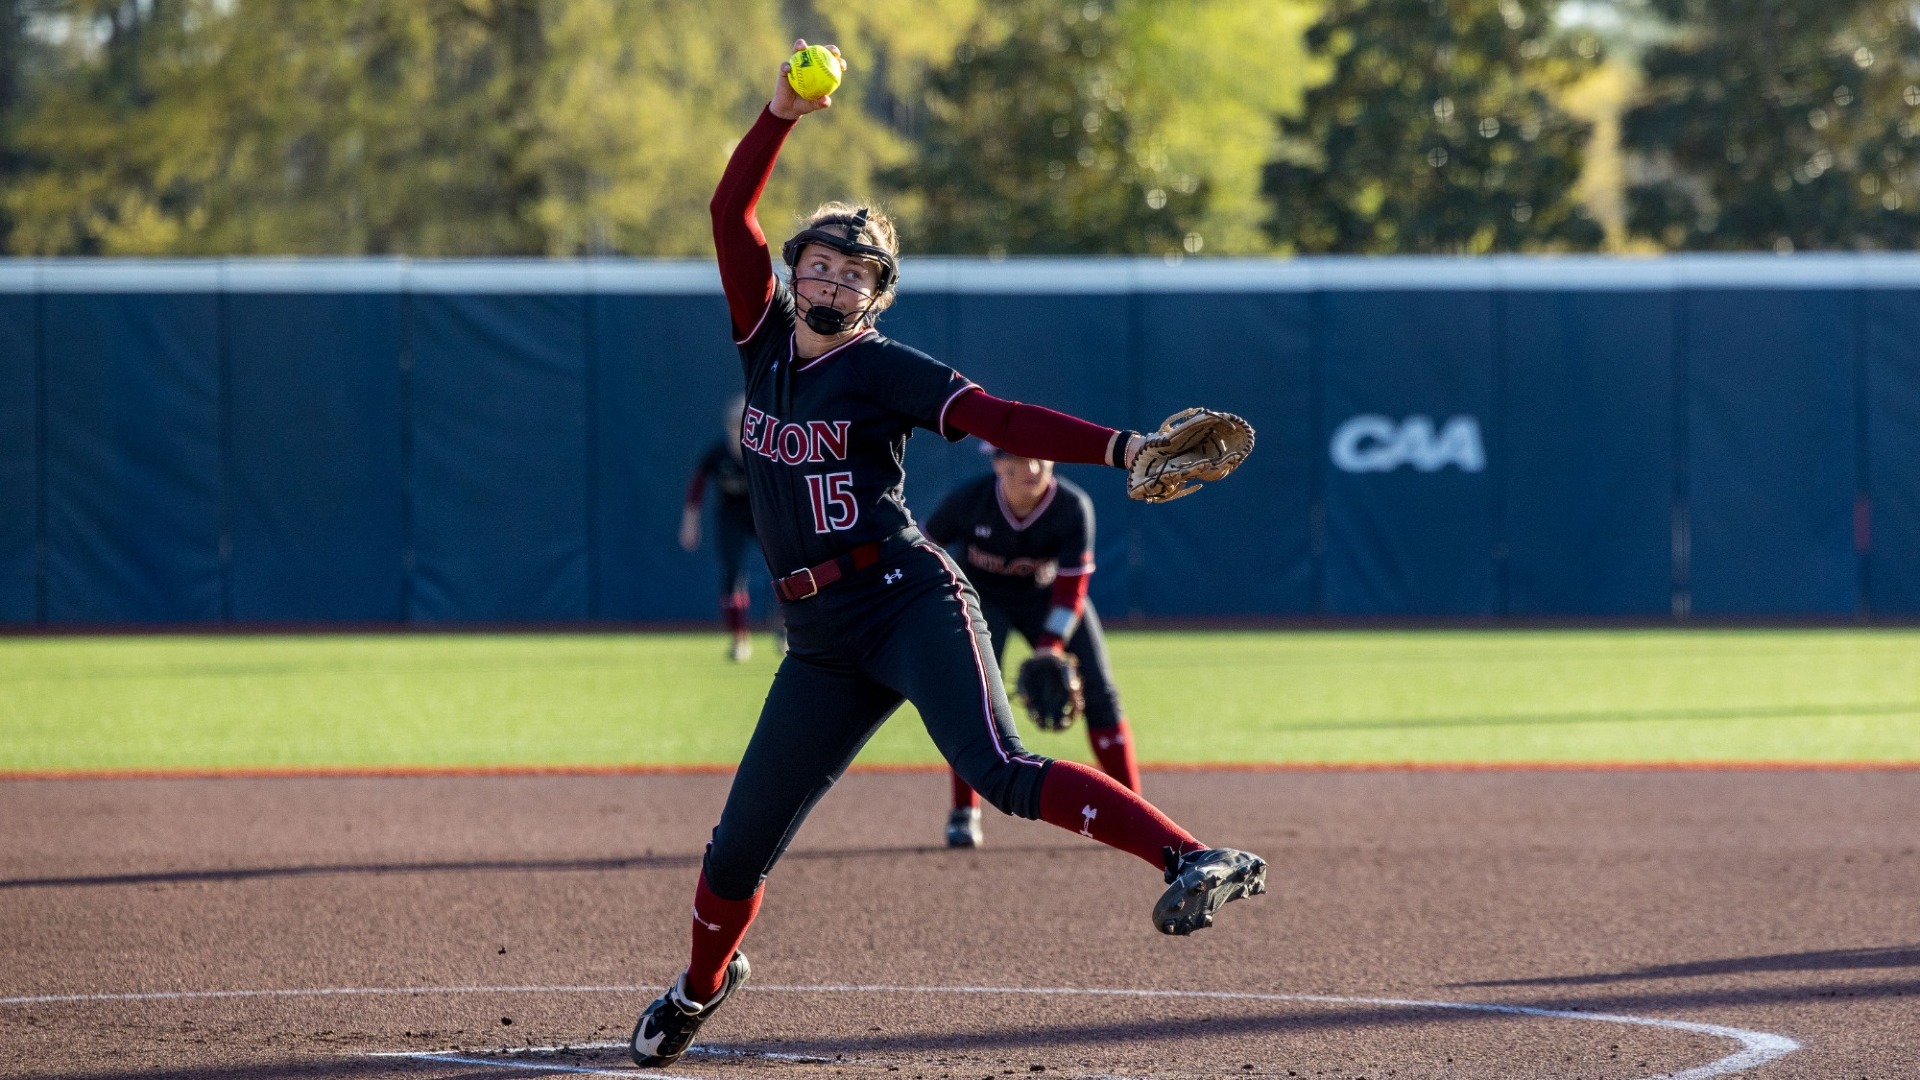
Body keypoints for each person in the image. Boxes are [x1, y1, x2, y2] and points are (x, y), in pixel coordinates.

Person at [628, 39, 1267, 1070]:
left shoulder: (883, 368)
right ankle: (700, 990)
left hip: (905, 597)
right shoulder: (762, 338)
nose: (833, 278)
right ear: (794, 270)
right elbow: (728, 209)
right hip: (819, 641)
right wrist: (780, 114)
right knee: (735, 850)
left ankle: (1193, 856)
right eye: (820, 262)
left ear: (875, 296)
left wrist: (1123, 447)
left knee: (998, 768)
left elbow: (998, 416)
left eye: (856, 273)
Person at [923, 448, 1138, 848]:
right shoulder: (969, 501)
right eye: (1020, 459)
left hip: (1048, 596)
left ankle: (1133, 810)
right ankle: (964, 812)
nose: (1033, 468)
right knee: (972, 698)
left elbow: (1072, 589)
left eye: (1041, 458)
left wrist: (1049, 645)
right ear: (998, 463)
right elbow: (922, 551)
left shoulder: (1071, 506)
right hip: (981, 598)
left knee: (1100, 691)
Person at [680, 396, 770, 661]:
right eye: (734, 425)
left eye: (743, 425)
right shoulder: (717, 454)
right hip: (731, 519)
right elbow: (696, 486)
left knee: (783, 571)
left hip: (763, 517)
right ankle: (740, 639)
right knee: (732, 574)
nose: (738, 432)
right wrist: (690, 523)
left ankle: (787, 630)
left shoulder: (764, 454)